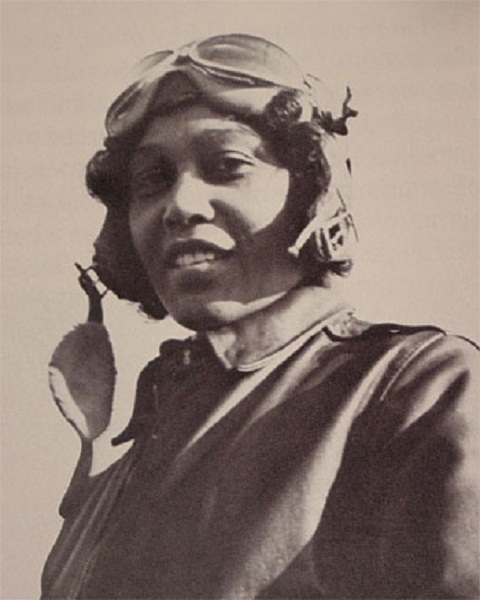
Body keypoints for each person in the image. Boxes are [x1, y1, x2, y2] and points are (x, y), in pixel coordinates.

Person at [42, 34, 479, 599]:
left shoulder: (417, 389)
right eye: (152, 180)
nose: (180, 205)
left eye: (228, 165)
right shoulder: (111, 482)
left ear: (310, 191)